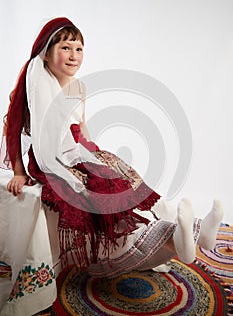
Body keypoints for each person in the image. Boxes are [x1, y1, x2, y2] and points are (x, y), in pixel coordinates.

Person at [1, 17, 223, 277]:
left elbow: (81, 129)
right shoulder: (35, 84)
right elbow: (13, 128)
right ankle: (156, 239)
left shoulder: (79, 88)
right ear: (46, 53)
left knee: (124, 175)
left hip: (79, 151)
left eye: (79, 49)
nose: (73, 56)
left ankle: (193, 231)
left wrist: (98, 157)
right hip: (51, 159)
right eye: (65, 48)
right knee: (97, 190)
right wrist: (19, 171)